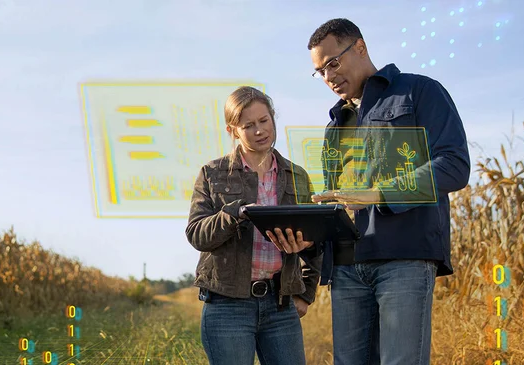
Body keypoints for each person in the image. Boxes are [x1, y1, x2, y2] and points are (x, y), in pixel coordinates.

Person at [305, 18, 471, 365]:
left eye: (333, 63)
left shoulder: (419, 91)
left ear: (361, 47)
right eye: (320, 71)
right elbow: (339, 199)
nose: (329, 76)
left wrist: (379, 193)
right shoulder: (334, 126)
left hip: (404, 258)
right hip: (347, 268)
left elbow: (454, 165)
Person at [186, 86, 324, 365]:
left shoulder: (296, 176)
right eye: (248, 125)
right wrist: (234, 214)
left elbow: (316, 241)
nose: (260, 130)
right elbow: (197, 234)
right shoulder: (212, 174)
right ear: (233, 130)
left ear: (273, 118)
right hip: (226, 306)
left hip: (280, 305)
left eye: (264, 121)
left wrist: (306, 294)